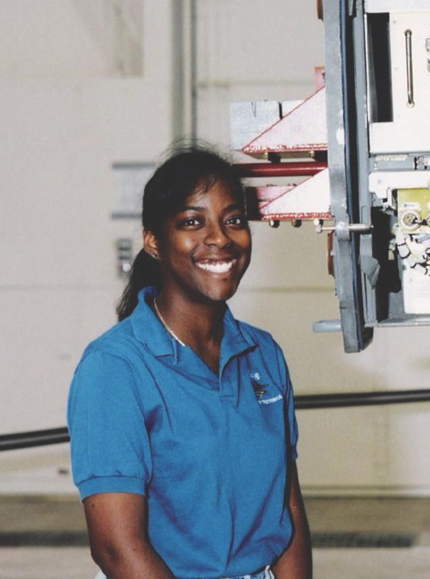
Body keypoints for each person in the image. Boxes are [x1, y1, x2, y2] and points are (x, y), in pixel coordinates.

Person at [67, 145, 312, 579]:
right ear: (153, 241)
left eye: (233, 220)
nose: (219, 237)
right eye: (192, 222)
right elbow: (117, 549)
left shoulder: (263, 353)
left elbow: (288, 507)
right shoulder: (115, 367)